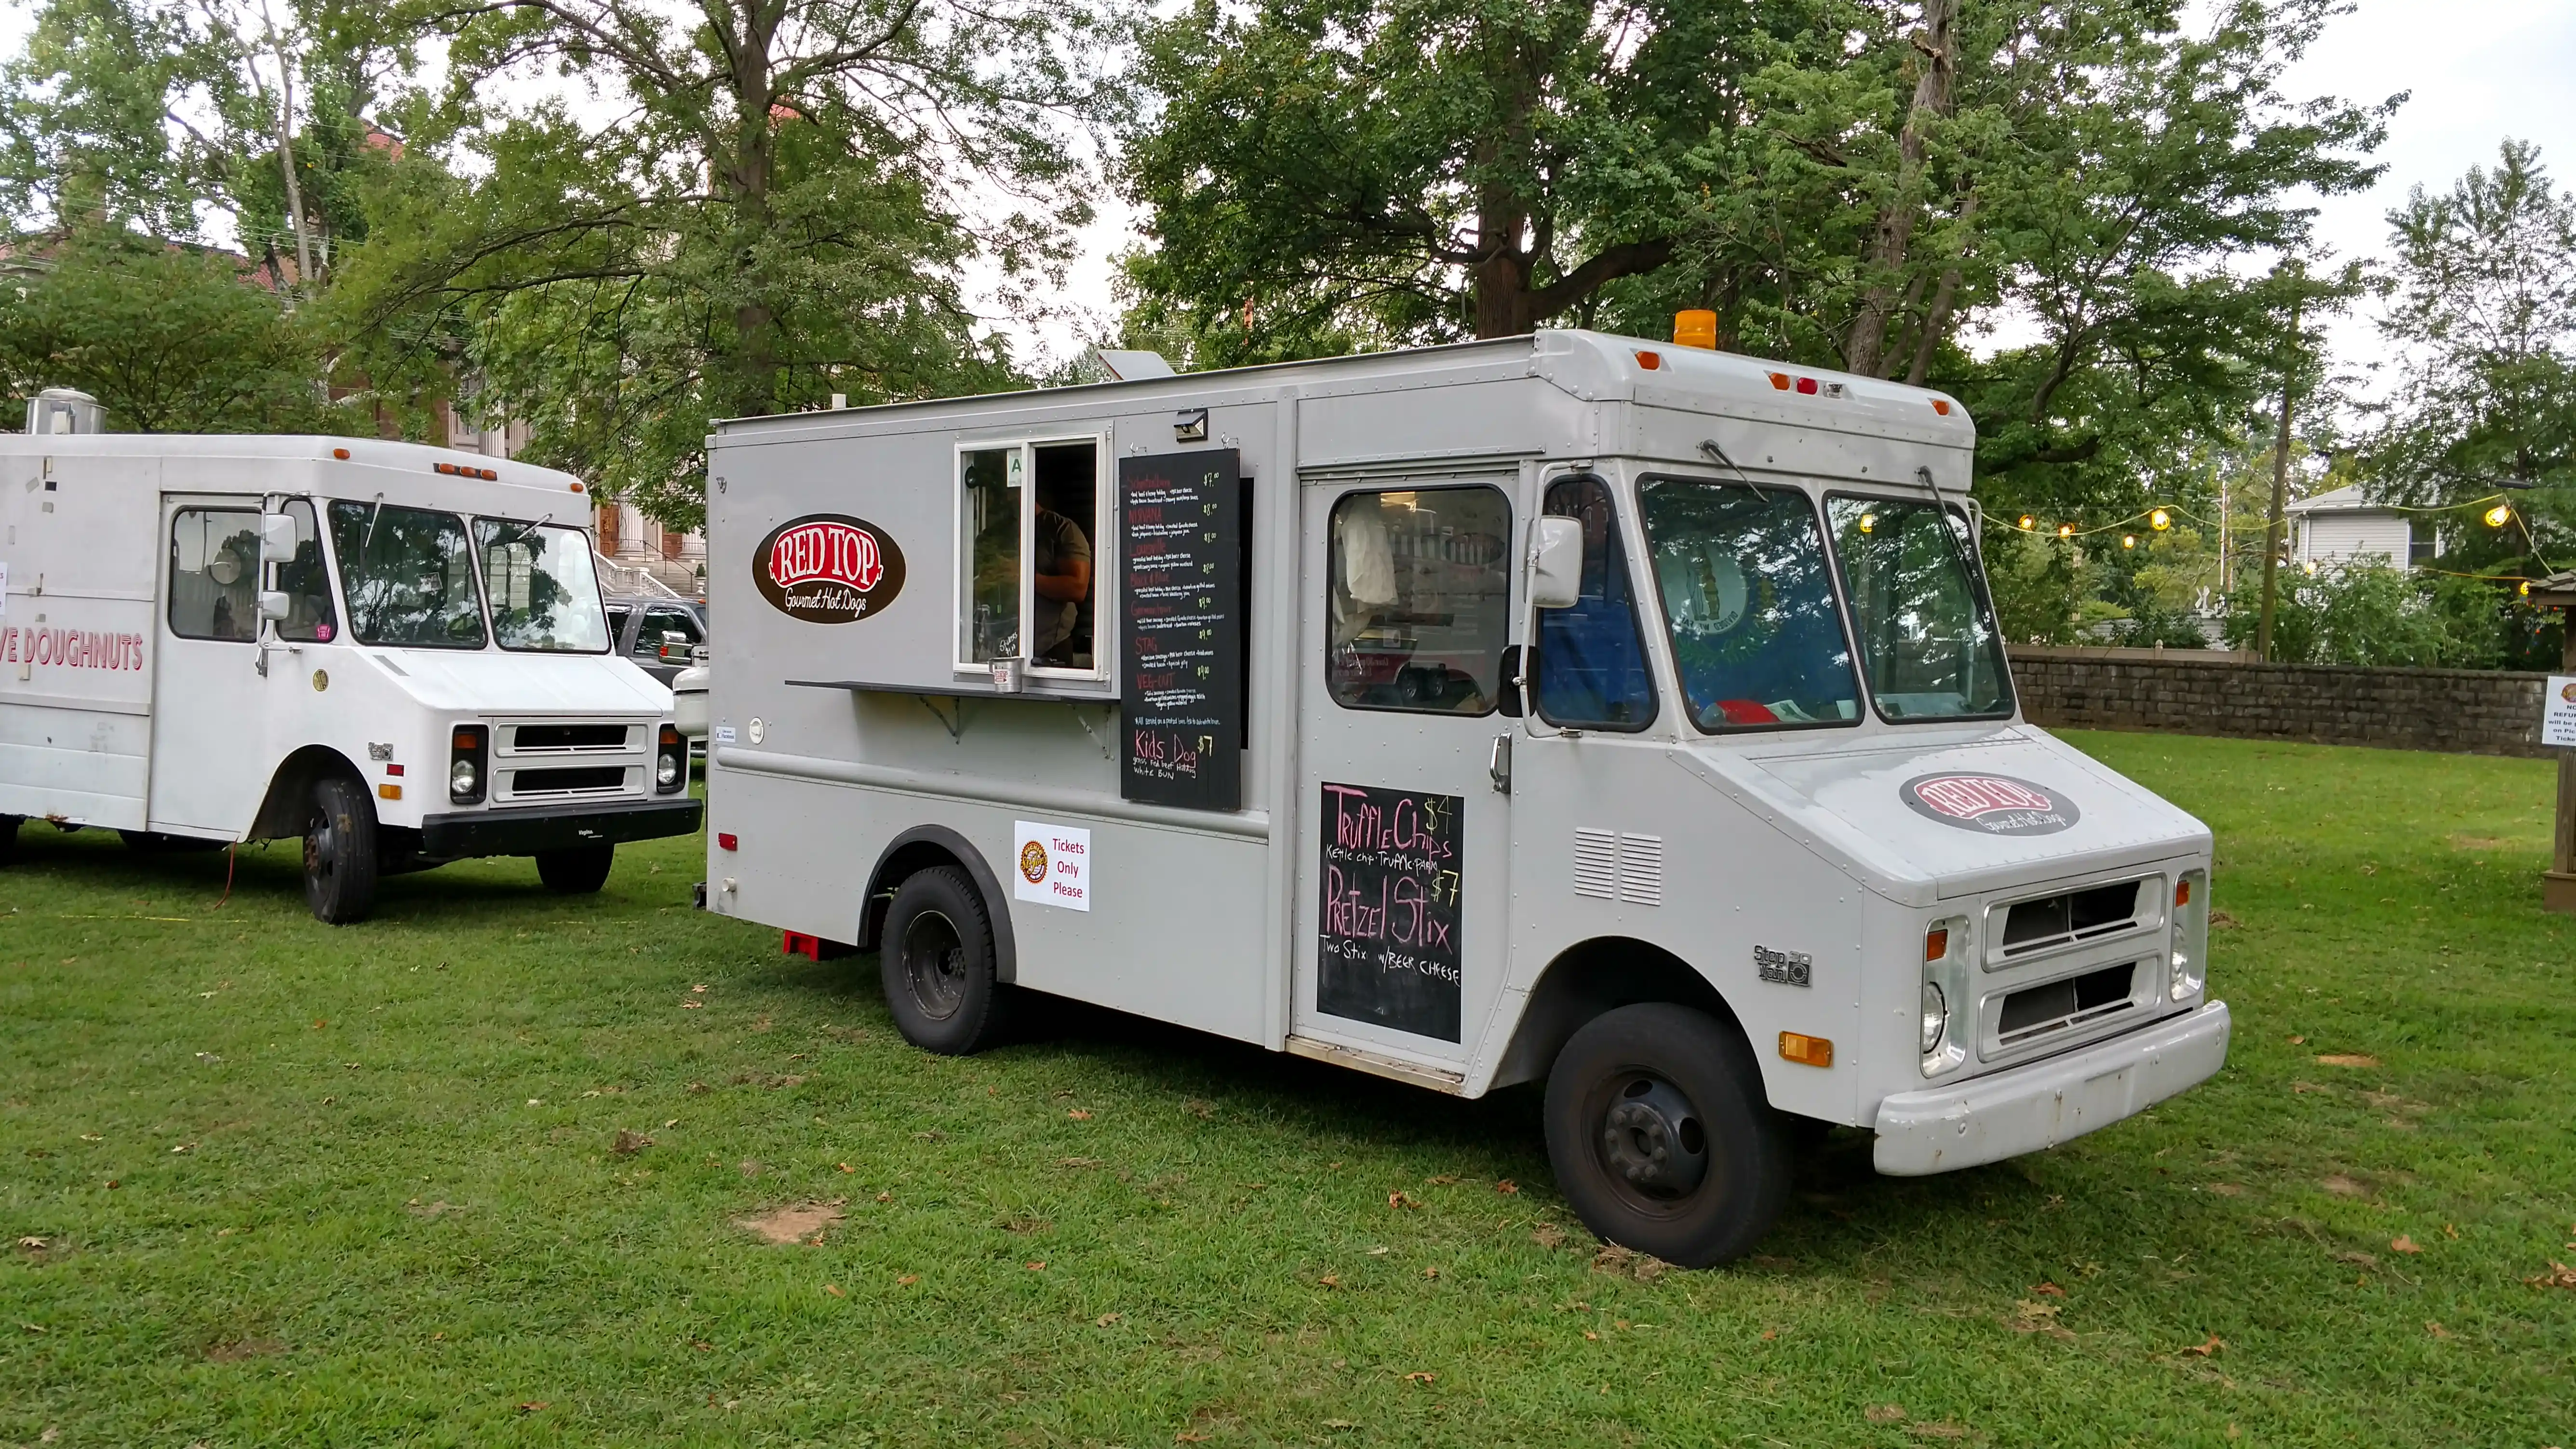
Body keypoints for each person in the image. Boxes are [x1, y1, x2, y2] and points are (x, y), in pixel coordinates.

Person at [1032, 503, 1092, 665]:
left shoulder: (1062, 529)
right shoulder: (996, 533)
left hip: (1050, 648)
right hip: (999, 648)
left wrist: (1024, 580)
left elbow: (1077, 588)